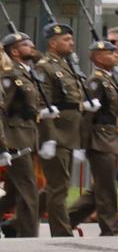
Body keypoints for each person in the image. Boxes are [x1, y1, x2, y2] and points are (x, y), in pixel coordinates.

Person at [67, 41, 118, 235]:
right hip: (99, 138)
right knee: (106, 187)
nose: (115, 54)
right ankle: (109, 229)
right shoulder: (96, 80)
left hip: (109, 136)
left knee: (100, 187)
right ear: (99, 57)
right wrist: (81, 144)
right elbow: (88, 114)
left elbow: (110, 111)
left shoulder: (110, 79)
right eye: (110, 52)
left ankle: (65, 221)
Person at [34, 23, 85, 236]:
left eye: (71, 39)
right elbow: (42, 103)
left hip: (71, 133)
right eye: (66, 40)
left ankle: (17, 224)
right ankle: (62, 233)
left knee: (58, 185)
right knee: (59, 188)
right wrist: (49, 137)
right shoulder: (45, 66)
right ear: (52, 43)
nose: (71, 43)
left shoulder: (68, 65)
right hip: (57, 134)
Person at [1, 32, 50, 237]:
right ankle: (30, 239)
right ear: (15, 51)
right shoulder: (10, 75)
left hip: (28, 137)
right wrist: (3, 145)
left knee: (13, 193)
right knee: (29, 191)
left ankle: (13, 227)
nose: (32, 47)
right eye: (26, 45)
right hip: (14, 140)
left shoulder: (27, 73)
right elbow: (3, 111)